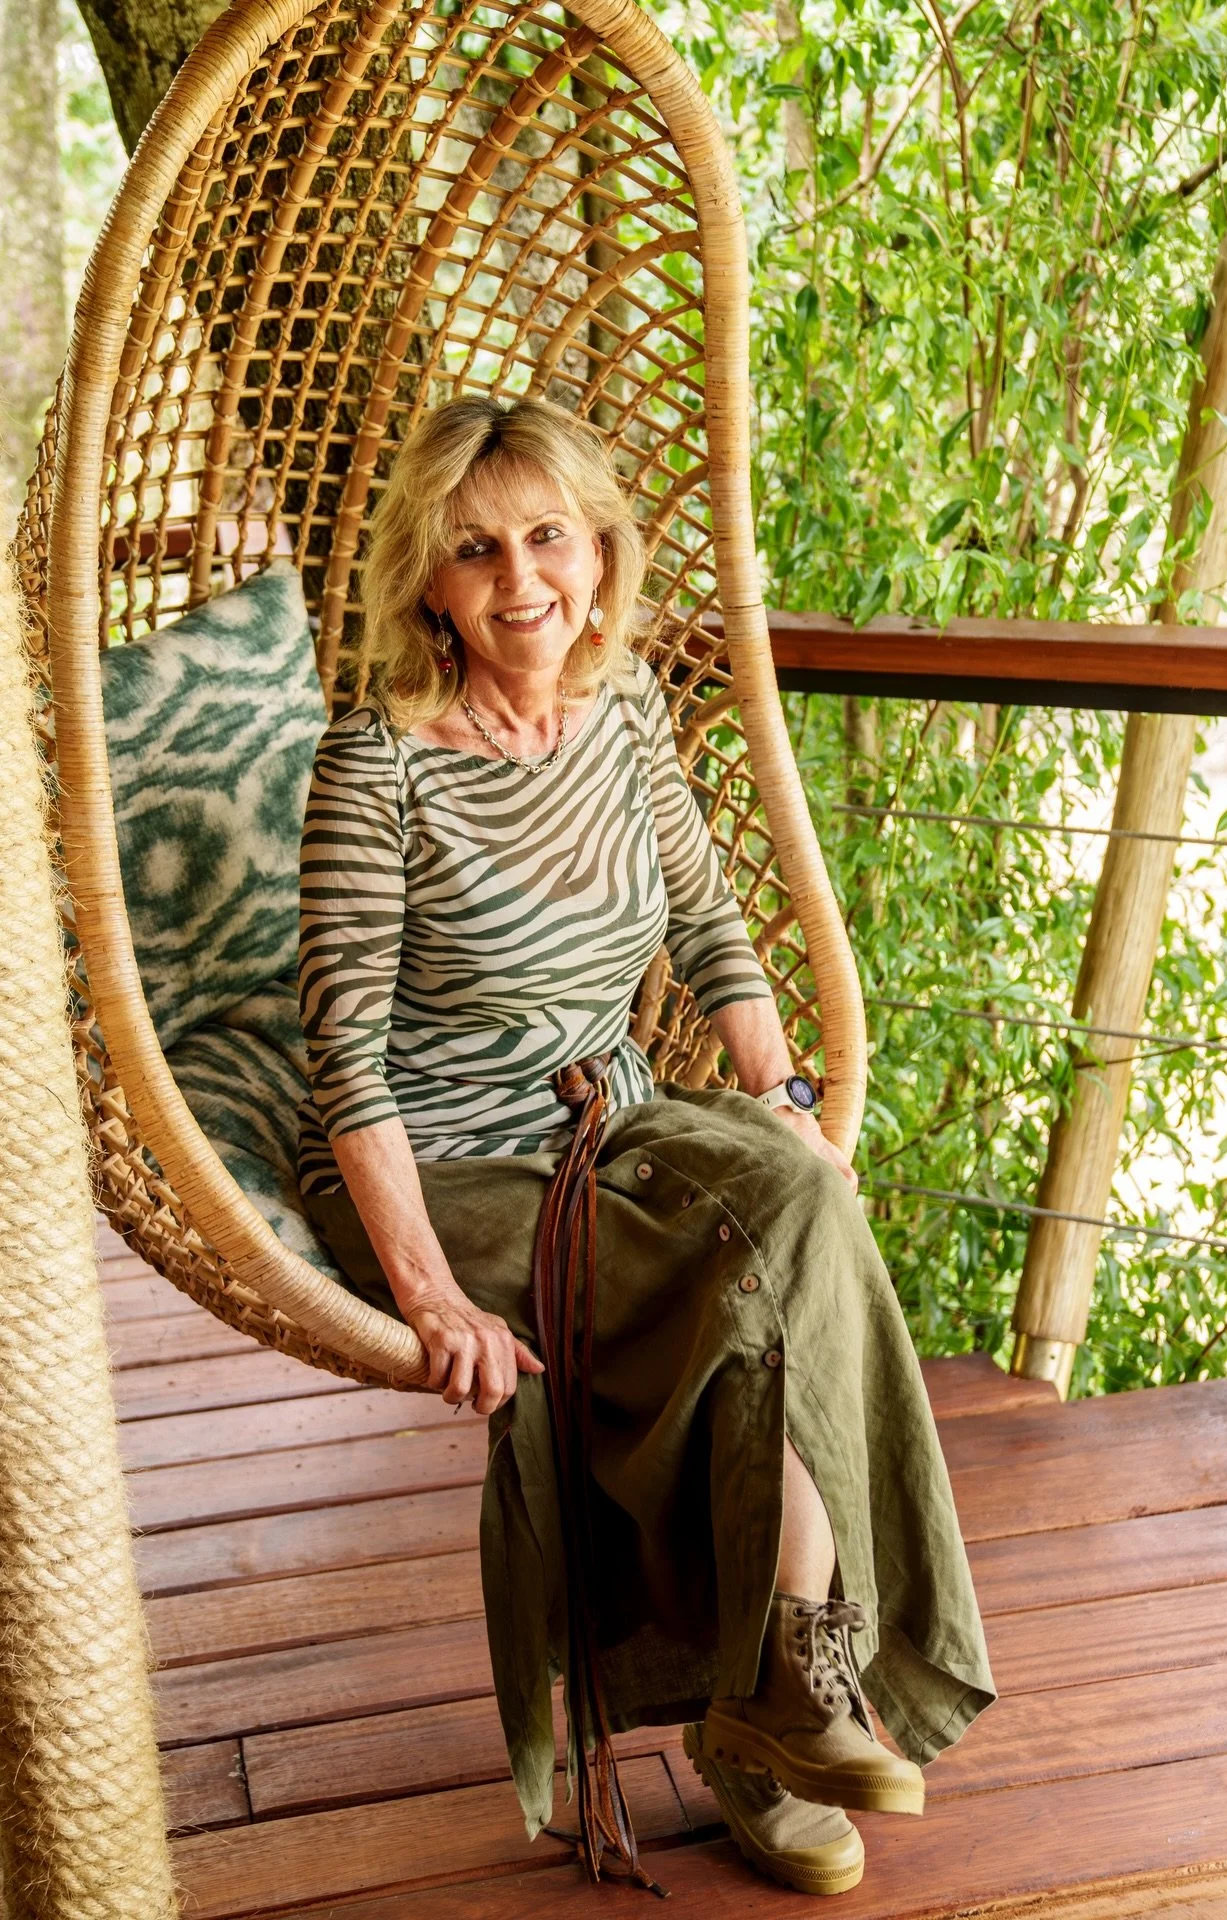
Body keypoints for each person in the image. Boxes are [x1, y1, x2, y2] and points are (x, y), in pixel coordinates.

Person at [297, 395, 994, 1897]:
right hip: (446, 1163)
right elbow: (345, 1063)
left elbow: (707, 931)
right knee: (729, 1313)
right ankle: (797, 1697)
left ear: (600, 557)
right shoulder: (379, 768)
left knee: (801, 1198)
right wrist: (429, 1294)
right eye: (476, 550)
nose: (521, 579)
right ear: (429, 579)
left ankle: (771, 1701)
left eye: (550, 537)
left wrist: (787, 1100)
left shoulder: (622, 717)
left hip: (613, 1110)